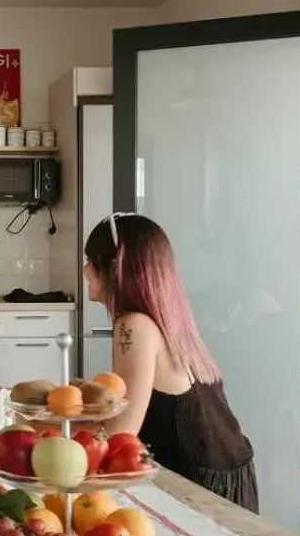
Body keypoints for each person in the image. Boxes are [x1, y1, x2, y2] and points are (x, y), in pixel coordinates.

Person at [84, 213, 258, 512]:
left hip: (203, 488)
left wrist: (44, 427)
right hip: (231, 474)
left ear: (114, 267)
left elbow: (119, 429)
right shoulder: (168, 321)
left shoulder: (134, 325)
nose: (85, 269)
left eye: (90, 259)